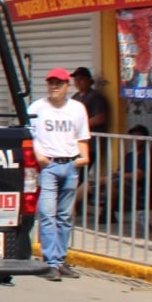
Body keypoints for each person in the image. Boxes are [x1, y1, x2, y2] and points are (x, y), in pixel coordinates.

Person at [28, 67, 90, 281]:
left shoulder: (77, 108)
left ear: (67, 86)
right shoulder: (37, 107)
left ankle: (60, 260)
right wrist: (40, 157)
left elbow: (82, 136)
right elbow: (30, 136)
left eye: (59, 83)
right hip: (49, 167)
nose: (54, 86)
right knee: (47, 214)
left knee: (65, 216)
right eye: (51, 82)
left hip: (70, 165)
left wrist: (83, 158)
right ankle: (50, 262)